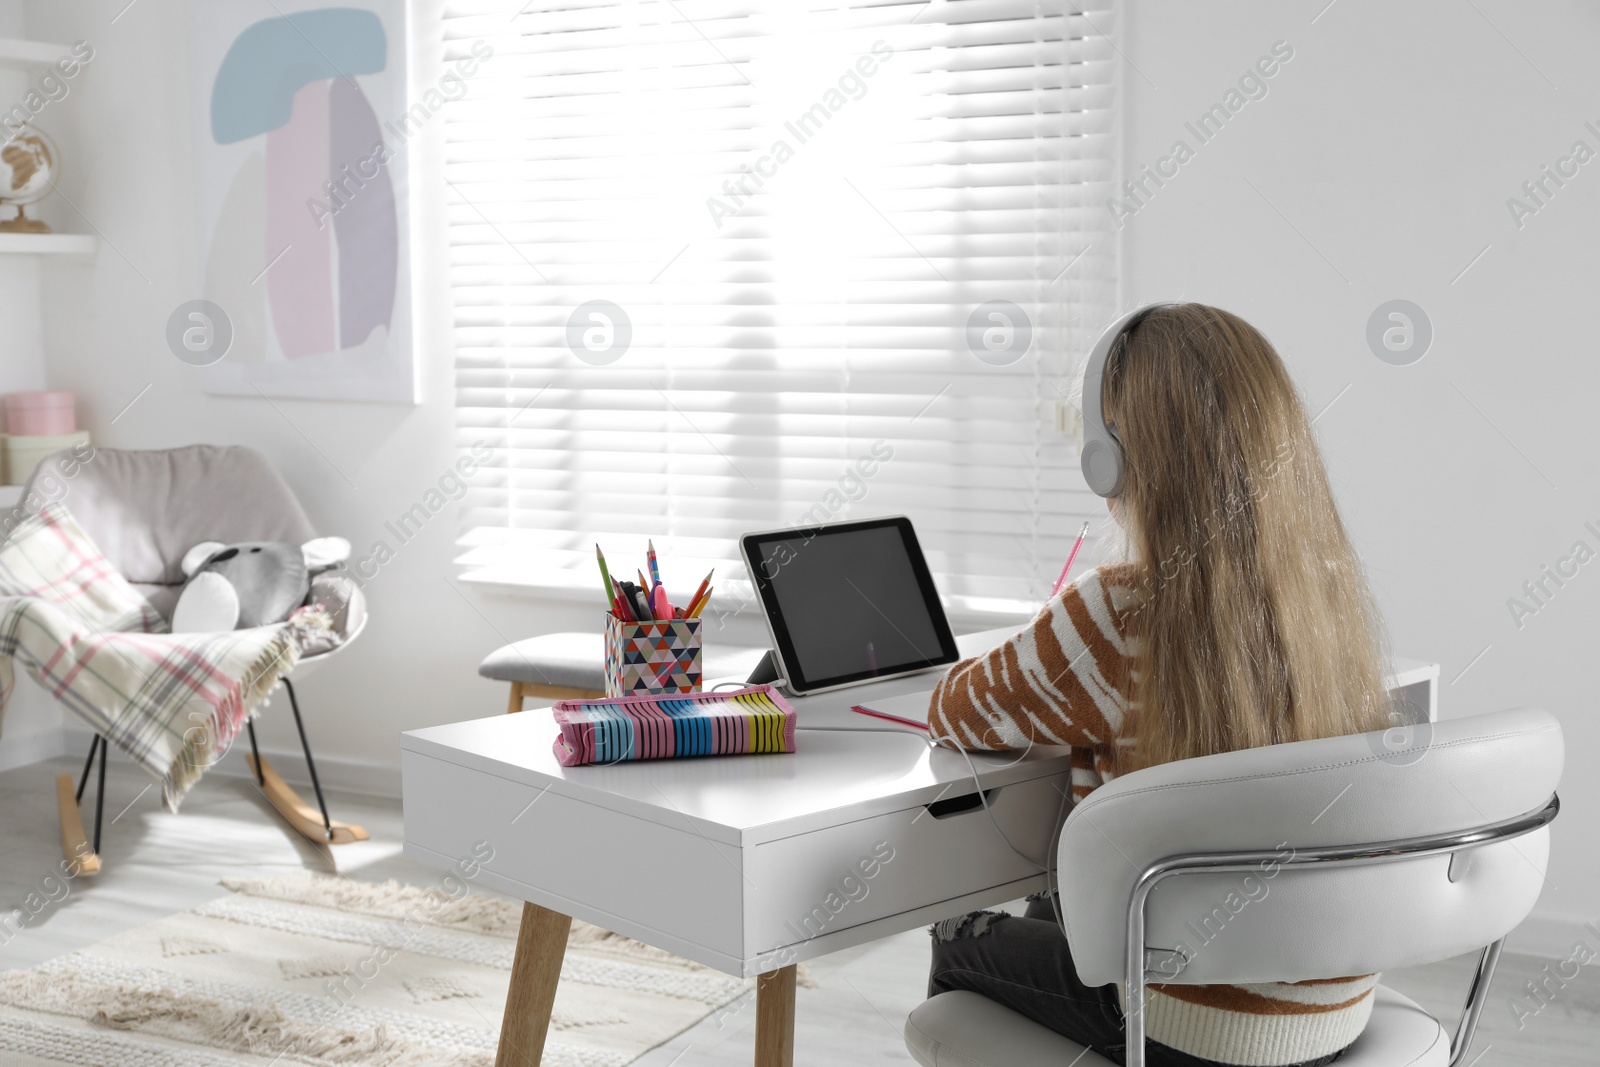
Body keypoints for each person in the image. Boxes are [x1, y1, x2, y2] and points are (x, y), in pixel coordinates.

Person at [925, 303, 1393, 1067]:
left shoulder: (1114, 612)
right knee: (1060, 901)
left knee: (957, 933)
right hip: (1334, 1012)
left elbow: (954, 709)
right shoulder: (1331, 598)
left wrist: (1051, 630)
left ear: (1108, 459)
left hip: (1188, 1029)